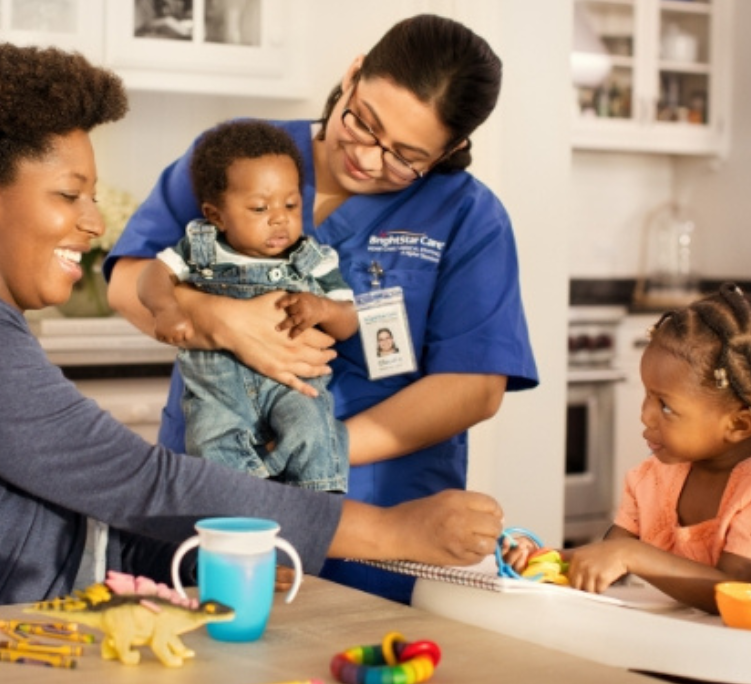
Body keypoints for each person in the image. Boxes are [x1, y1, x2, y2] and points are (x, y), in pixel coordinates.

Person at [0, 43, 509, 620]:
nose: (93, 224)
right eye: (68, 195)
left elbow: (75, 522)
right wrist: (392, 530)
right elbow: (141, 483)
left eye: (91, 197)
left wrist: (209, 554)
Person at [105, 14, 539, 603]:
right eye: (363, 121)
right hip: (212, 486)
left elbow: (474, 387)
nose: (367, 156)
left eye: (405, 157)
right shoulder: (239, 153)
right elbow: (128, 280)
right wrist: (221, 322)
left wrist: (309, 448)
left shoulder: (470, 218)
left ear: (450, 151)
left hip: (380, 510)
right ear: (353, 73)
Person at [507, 284, 751, 614]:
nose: (645, 415)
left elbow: (734, 592)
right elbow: (608, 555)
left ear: (737, 425)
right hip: (676, 641)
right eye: (647, 395)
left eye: (666, 406)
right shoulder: (651, 479)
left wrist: (633, 555)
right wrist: (545, 558)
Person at [137, 119, 356, 492]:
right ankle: (244, 507)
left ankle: (318, 504)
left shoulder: (313, 259)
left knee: (313, 427)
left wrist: (322, 310)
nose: (279, 218)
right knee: (209, 441)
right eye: (258, 208)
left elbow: (348, 321)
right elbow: (151, 277)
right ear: (216, 215)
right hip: (218, 394)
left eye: (291, 203)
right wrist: (167, 309)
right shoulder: (200, 248)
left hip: (291, 387)